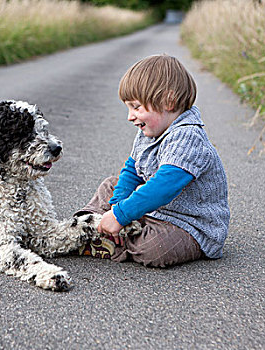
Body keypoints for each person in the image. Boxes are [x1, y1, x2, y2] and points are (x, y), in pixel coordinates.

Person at [76, 54, 230, 267]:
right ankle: (89, 227)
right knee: (111, 185)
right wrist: (116, 207)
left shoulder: (188, 137)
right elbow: (132, 170)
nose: (130, 116)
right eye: (128, 108)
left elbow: (162, 188)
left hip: (187, 226)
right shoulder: (149, 132)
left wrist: (121, 216)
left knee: (155, 249)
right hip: (154, 211)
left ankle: (115, 241)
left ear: (168, 101)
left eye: (136, 107)